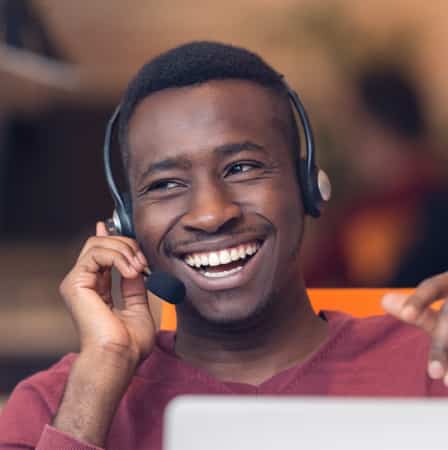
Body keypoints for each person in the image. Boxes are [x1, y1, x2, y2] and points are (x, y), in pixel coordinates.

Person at [0, 41, 447, 450]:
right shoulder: (57, 405)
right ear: (126, 221)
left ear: (309, 186)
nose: (211, 213)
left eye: (242, 168)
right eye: (167, 183)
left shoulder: (431, 364)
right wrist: (94, 391)